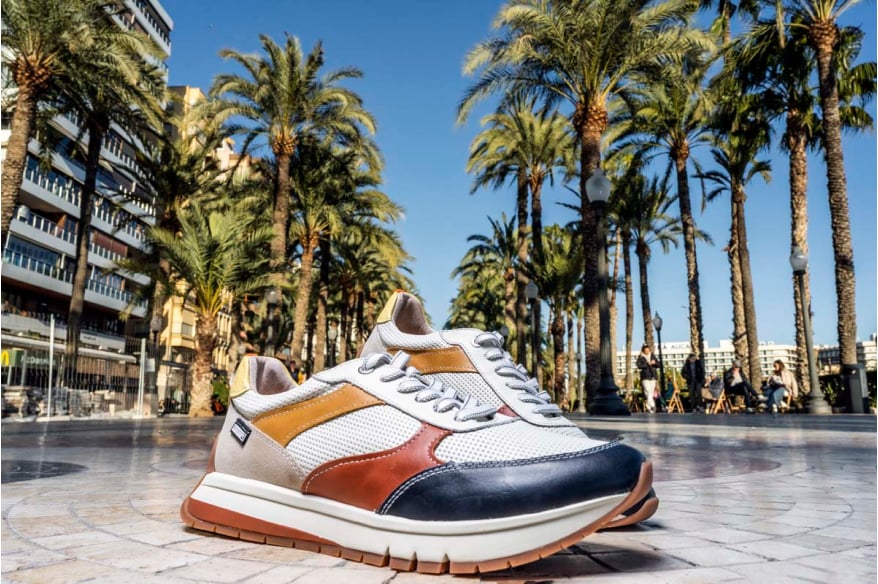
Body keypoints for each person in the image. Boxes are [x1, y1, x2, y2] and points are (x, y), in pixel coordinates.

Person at [636, 344, 661, 413]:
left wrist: (654, 363)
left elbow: (658, 364)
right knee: (647, 390)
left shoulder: (652, 356)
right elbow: (638, 365)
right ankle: (652, 405)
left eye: (648, 350)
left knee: (650, 392)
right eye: (645, 351)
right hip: (645, 376)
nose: (647, 352)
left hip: (653, 376)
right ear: (643, 351)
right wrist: (647, 364)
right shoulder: (641, 357)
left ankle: (649, 406)